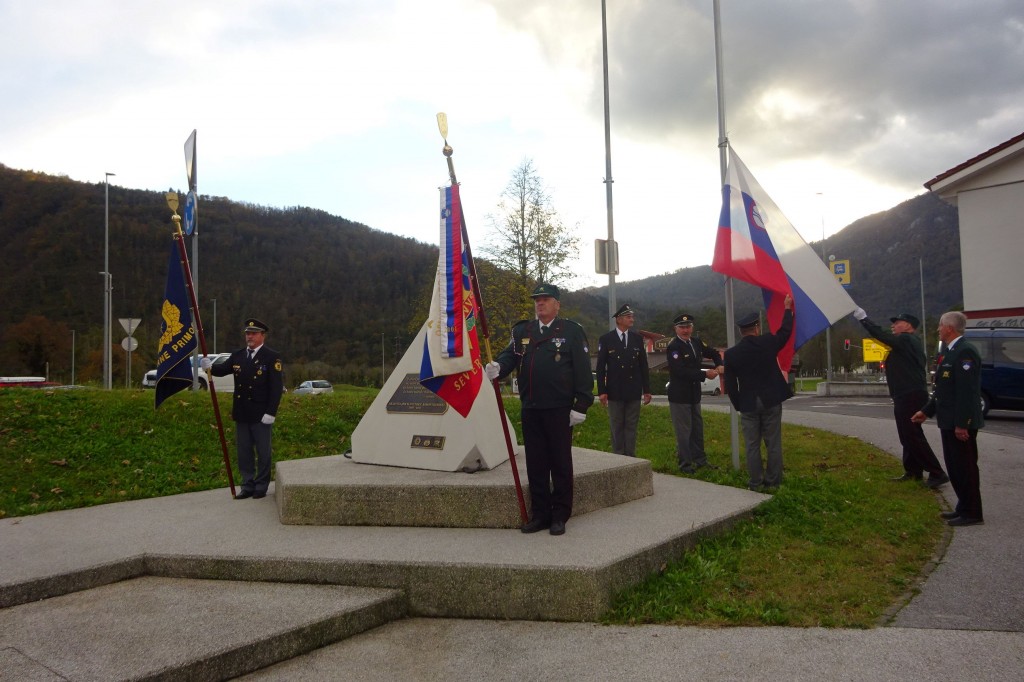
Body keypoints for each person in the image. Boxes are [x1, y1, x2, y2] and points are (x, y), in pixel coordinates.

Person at [485, 283, 594, 536]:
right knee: (536, 464)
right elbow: (510, 356)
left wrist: (581, 404)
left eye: (545, 299)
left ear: (557, 304)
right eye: (537, 300)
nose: (540, 304)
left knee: (560, 462)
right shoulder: (523, 330)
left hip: (559, 408)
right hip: (531, 406)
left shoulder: (571, 331)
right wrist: (498, 367)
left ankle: (560, 514)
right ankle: (541, 514)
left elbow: (582, 371)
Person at [854, 308, 949, 488]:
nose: (893, 326)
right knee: (908, 434)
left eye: (897, 323)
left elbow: (883, 336)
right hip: (908, 393)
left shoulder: (906, 339)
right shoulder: (909, 341)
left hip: (909, 394)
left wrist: (864, 319)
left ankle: (937, 472)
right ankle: (913, 471)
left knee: (912, 435)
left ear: (909, 326)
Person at [912, 311, 985, 526]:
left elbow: (966, 393)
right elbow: (943, 390)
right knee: (955, 467)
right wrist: (926, 411)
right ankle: (963, 507)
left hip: (959, 423)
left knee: (966, 468)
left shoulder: (965, 353)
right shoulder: (950, 352)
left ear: (950, 328)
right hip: (948, 420)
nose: (938, 329)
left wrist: (963, 424)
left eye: (941, 326)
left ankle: (973, 512)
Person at [202, 318, 284, 500]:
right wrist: (209, 367)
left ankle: (261, 486)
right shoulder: (238, 355)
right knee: (244, 452)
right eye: (248, 333)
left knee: (263, 452)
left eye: (254, 333)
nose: (250, 336)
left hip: (261, 414)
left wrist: (271, 412)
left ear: (263, 336)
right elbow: (222, 370)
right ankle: (247, 485)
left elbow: (276, 388)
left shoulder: (272, 357)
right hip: (242, 412)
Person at [723, 296, 794, 491]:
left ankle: (755, 482)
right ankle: (773, 482)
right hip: (771, 400)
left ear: (740, 331)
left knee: (752, 445)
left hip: (748, 403)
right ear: (756, 328)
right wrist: (787, 309)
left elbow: (730, 383)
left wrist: (739, 404)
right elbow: (785, 332)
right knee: (773, 443)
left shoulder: (732, 354)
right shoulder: (768, 342)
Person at [665, 312, 723, 473]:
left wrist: (719, 364)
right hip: (679, 396)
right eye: (682, 327)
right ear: (675, 329)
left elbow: (714, 353)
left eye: (688, 327)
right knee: (684, 432)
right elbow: (680, 371)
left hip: (694, 394)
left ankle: (700, 460)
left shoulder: (696, 342)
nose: (686, 330)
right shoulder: (674, 347)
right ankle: (685, 464)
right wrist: (705, 374)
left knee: (697, 428)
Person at [595, 304, 652, 457]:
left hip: (633, 390)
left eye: (632, 316)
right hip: (614, 390)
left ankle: (630, 457)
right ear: (619, 320)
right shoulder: (606, 339)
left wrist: (646, 390)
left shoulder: (637, 339)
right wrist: (602, 391)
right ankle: (618, 457)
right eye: (628, 317)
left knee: (631, 426)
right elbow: (600, 367)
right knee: (617, 426)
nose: (632, 319)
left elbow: (643, 366)